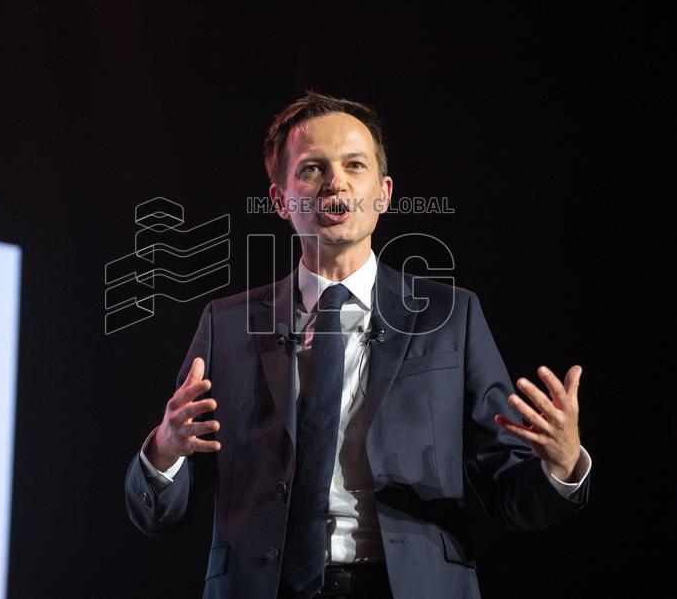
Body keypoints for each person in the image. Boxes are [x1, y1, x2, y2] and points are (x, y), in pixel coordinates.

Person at [125, 92, 592, 599]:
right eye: (311, 169)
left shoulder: (451, 318)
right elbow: (159, 512)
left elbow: (511, 495)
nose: (336, 184)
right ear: (280, 199)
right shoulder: (226, 325)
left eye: (354, 165)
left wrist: (561, 465)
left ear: (384, 192)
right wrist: (165, 452)